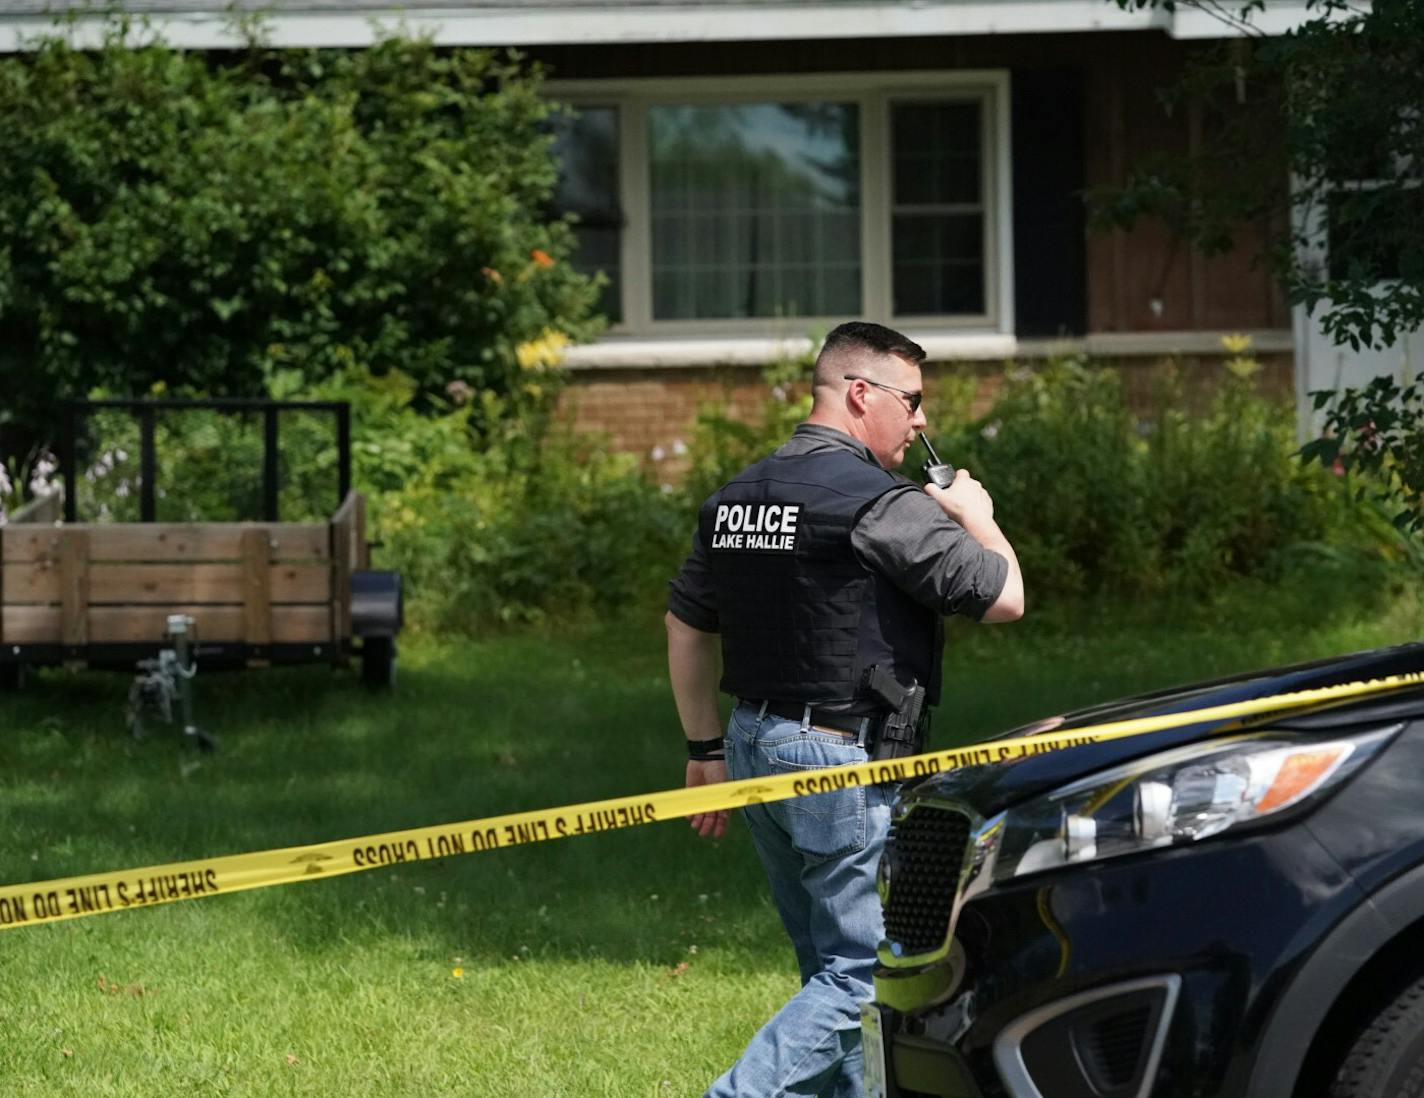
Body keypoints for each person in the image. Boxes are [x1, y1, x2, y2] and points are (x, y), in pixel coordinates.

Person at [665, 321, 1024, 1098]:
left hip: (755, 745)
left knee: (823, 965)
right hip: (835, 757)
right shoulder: (879, 502)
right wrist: (976, 512)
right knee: (859, 977)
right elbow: (1004, 597)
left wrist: (704, 749)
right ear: (862, 395)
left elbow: (686, 625)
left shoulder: (738, 496)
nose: (921, 420)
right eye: (914, 401)